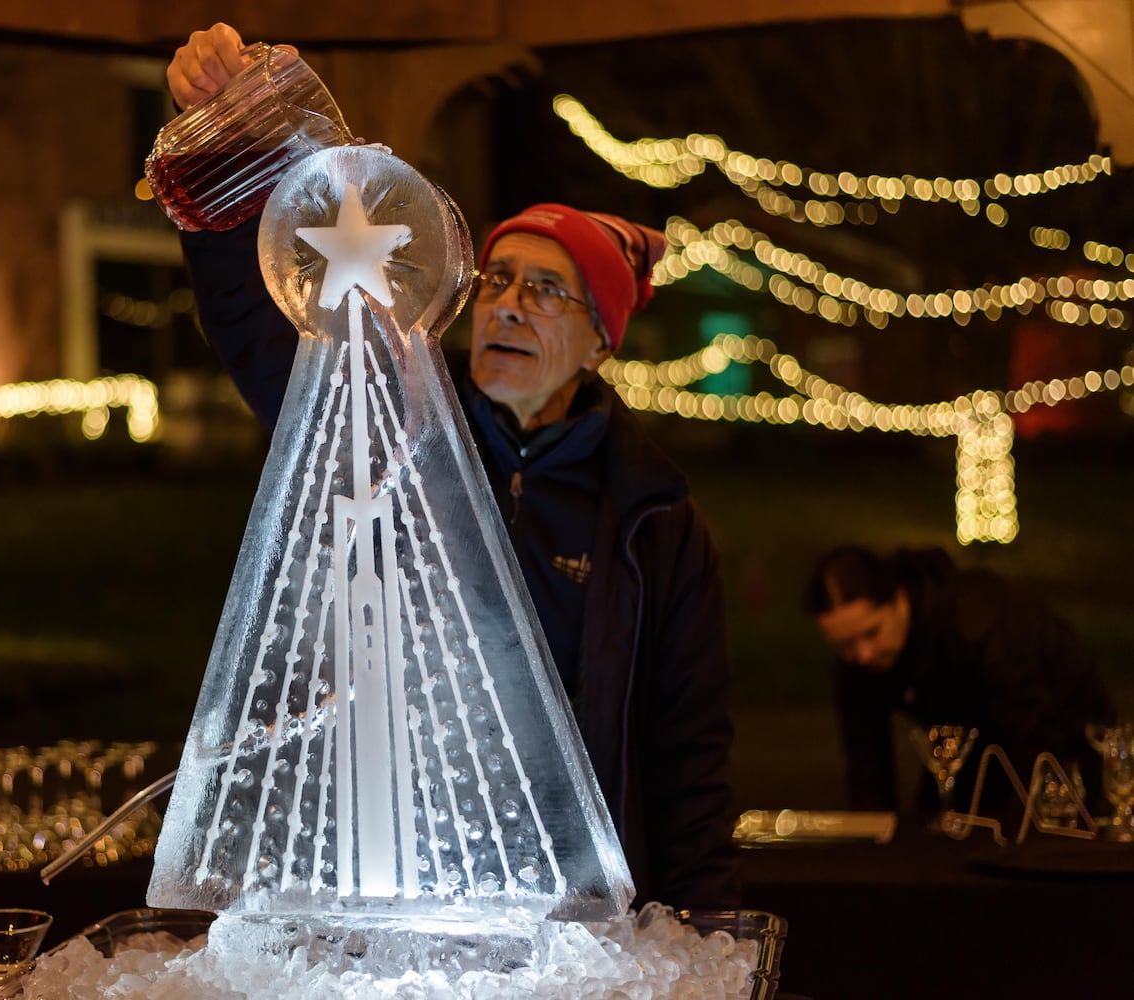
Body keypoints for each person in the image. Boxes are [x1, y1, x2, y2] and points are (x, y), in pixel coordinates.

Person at [163, 23, 739, 911]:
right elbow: (264, 336)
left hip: (572, 918)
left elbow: (687, 757)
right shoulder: (390, 437)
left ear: (600, 338)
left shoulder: (651, 522)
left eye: (546, 291)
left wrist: (694, 931)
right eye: (498, 281)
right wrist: (224, 148)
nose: (509, 308)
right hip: (405, 895)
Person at [803, 544, 1116, 814]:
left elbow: (1032, 738)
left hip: (1063, 730)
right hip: (969, 742)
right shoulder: (857, 659)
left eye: (872, 633)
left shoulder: (978, 622)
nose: (863, 655)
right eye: (844, 645)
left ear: (899, 600)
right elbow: (868, 771)